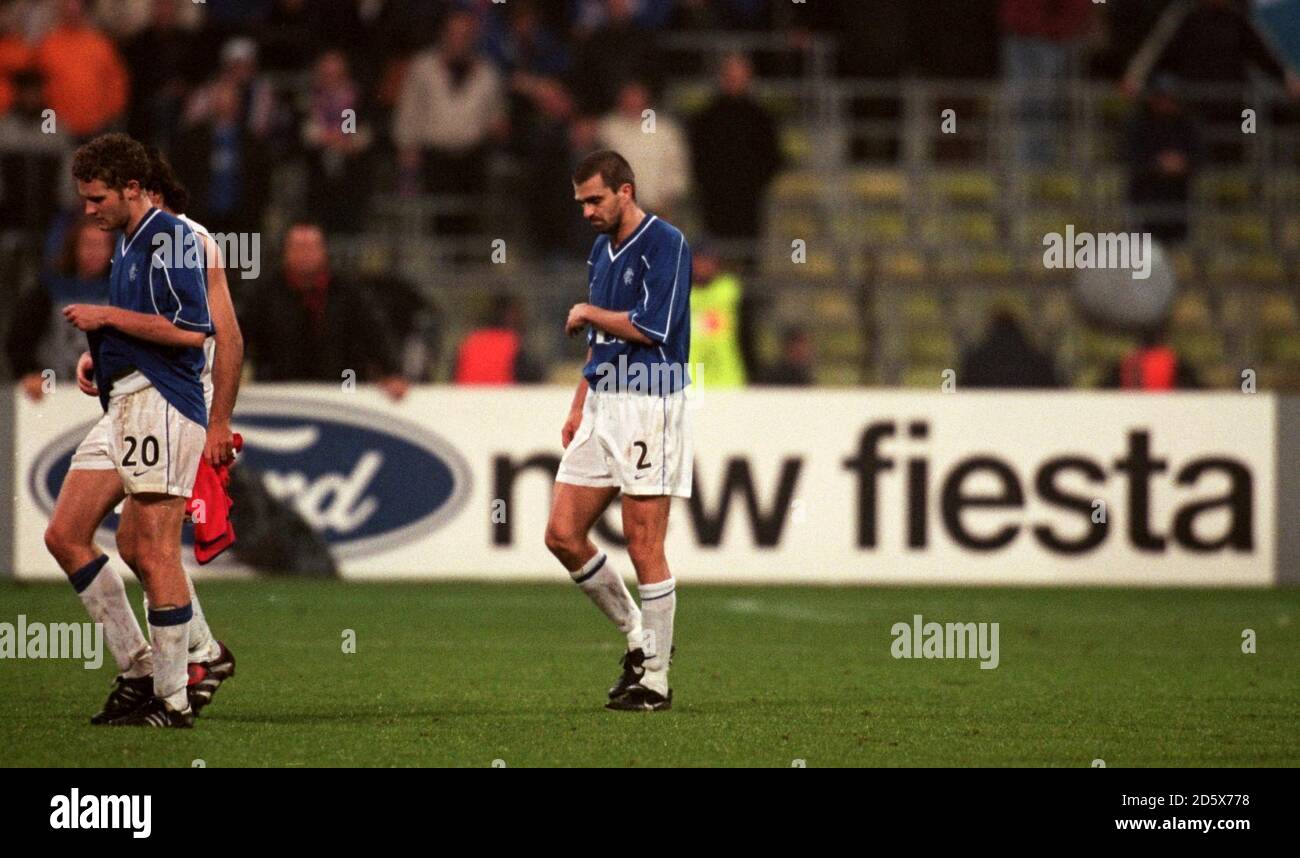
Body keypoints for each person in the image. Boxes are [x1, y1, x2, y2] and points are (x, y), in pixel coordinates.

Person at [46, 133, 213, 727]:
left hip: (161, 404)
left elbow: (193, 329)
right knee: (65, 535)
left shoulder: (170, 238)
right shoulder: (129, 243)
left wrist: (107, 318)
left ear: (133, 190)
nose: (88, 210)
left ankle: (172, 699)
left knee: (153, 549)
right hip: (124, 401)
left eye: (97, 198)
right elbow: (148, 327)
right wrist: (103, 354)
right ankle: (138, 667)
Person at [544, 150, 692, 712]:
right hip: (604, 401)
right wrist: (580, 400)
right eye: (580, 201)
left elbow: (652, 327)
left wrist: (586, 310)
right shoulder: (599, 251)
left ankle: (655, 680)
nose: (586, 211)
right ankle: (639, 638)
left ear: (625, 191)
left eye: (595, 199)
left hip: (650, 401)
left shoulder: (665, 242)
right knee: (562, 533)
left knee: (643, 543)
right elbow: (600, 344)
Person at [239, 221, 409, 400]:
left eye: (311, 247)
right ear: (285, 252)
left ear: (323, 251)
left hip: (342, 389)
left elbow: (374, 332)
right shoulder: (263, 292)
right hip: (278, 392)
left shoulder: (348, 290)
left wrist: (392, 372)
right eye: (298, 247)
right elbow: (239, 337)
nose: (305, 254)